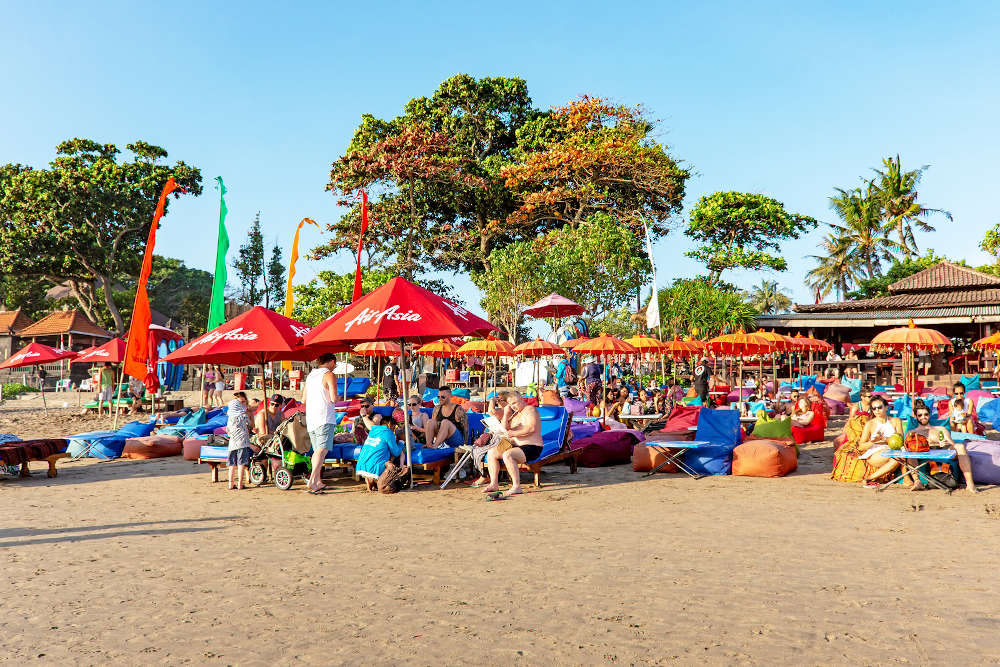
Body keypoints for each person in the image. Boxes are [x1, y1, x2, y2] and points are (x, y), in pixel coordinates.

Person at [481, 390, 543, 497]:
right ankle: (494, 484)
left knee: (508, 454)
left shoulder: (530, 410)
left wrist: (513, 433)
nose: (513, 406)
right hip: (517, 446)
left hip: (532, 447)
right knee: (492, 453)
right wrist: (506, 414)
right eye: (510, 404)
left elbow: (531, 428)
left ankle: (516, 486)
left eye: (514, 403)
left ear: (522, 399)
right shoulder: (515, 414)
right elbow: (505, 428)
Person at [909, 400, 977, 493]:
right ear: (916, 416)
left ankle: (970, 485)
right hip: (923, 454)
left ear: (929, 415)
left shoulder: (940, 429)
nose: (923, 417)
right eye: (920, 415)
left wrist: (946, 443)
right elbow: (907, 445)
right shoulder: (913, 432)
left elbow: (952, 444)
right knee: (909, 452)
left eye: (926, 414)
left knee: (960, 446)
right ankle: (917, 482)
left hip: (943, 451)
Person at [302, 353, 339, 495]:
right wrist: (339, 397)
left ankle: (317, 481)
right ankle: (312, 480)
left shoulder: (311, 375)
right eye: (335, 364)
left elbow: (304, 399)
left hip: (312, 418)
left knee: (318, 451)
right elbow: (334, 398)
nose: (335, 367)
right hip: (324, 416)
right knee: (322, 450)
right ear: (332, 361)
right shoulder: (329, 374)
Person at [858, 396, 904, 487]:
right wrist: (874, 441)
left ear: (886, 407)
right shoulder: (870, 424)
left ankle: (908, 480)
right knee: (898, 457)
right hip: (876, 452)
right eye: (874, 408)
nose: (877, 410)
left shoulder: (896, 421)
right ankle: (869, 478)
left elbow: (901, 439)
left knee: (900, 456)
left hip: (893, 450)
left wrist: (884, 439)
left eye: (879, 407)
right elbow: (861, 446)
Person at [356, 418, 407, 493]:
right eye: (394, 427)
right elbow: (396, 452)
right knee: (390, 460)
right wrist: (401, 443)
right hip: (375, 467)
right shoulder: (388, 432)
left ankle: (369, 487)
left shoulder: (373, 430)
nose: (393, 429)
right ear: (389, 424)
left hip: (361, 465)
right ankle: (376, 481)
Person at [226, 392, 252, 490]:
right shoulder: (243, 416)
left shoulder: (230, 417)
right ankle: (240, 484)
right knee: (241, 463)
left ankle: (230, 484)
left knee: (232, 464)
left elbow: (227, 431)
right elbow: (250, 425)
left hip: (232, 444)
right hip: (243, 443)